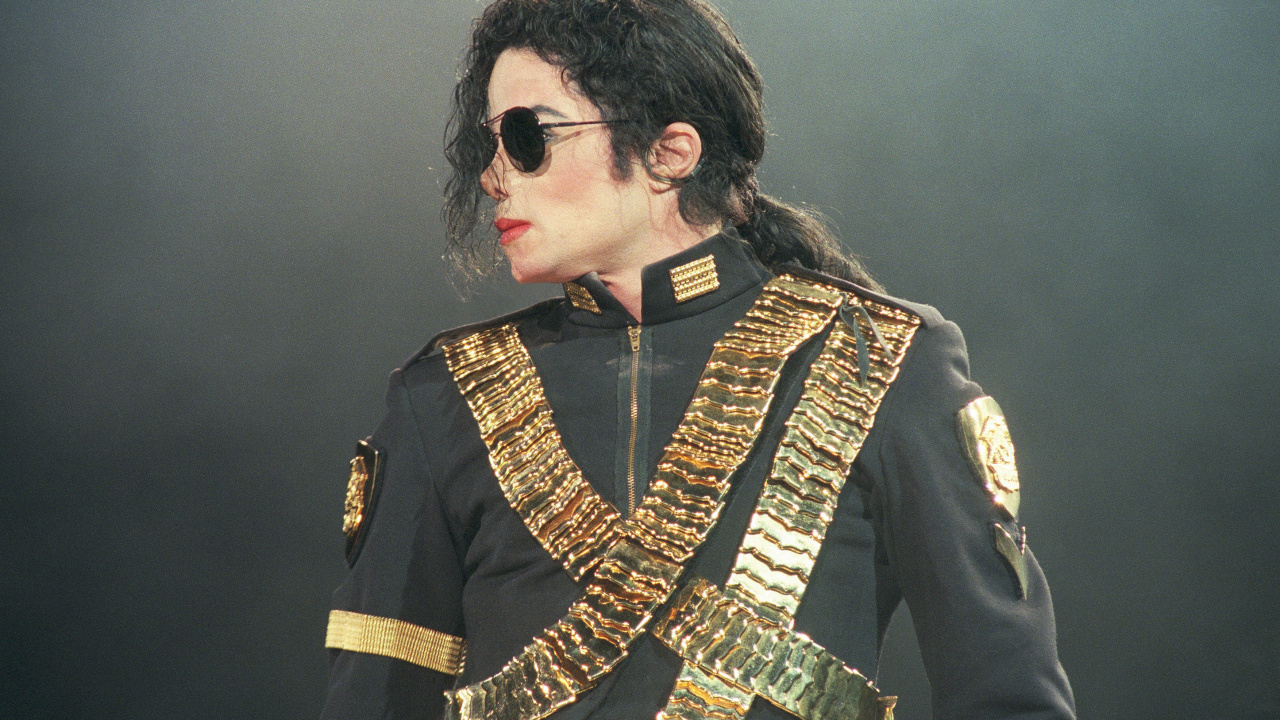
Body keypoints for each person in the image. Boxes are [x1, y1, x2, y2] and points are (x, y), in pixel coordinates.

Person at [319, 1, 1076, 719]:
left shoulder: (879, 361)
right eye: (489, 143)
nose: (492, 175)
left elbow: (1006, 695)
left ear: (671, 153)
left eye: (526, 134)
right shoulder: (443, 396)